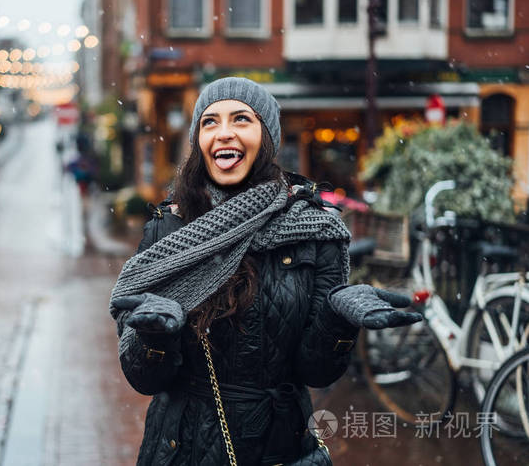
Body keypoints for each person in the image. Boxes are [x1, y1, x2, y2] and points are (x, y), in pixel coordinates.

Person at [109, 77, 421, 466]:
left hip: (277, 445)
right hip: (180, 447)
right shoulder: (169, 229)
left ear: (267, 137)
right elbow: (146, 380)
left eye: (241, 119)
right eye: (210, 122)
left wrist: (337, 322)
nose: (224, 133)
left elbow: (317, 371)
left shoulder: (314, 230)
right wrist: (154, 337)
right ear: (198, 141)